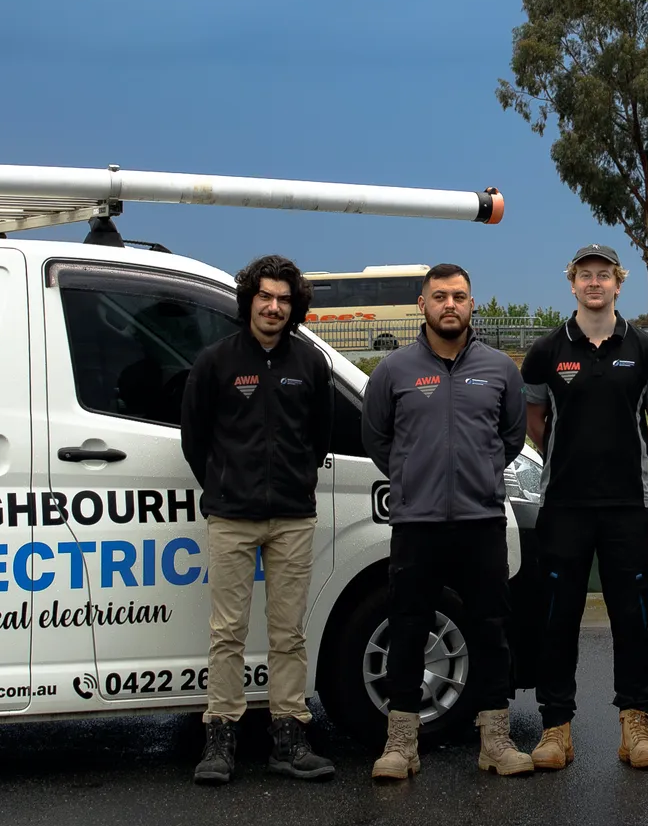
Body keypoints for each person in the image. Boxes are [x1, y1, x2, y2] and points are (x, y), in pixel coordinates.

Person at [360, 263, 533, 780]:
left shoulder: (500, 369)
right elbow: (376, 439)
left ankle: (496, 742)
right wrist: (414, 474)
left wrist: (477, 473)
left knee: (489, 630)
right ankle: (401, 747)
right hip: (417, 522)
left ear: (471, 303)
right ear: (423, 304)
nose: (450, 305)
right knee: (409, 629)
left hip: (481, 520)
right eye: (440, 296)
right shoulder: (394, 370)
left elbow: (510, 438)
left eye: (459, 296)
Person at [179, 254, 335, 785]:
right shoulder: (216, 362)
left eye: (284, 299)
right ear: (249, 299)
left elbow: (319, 439)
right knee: (227, 633)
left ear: (295, 307)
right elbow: (195, 440)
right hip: (232, 517)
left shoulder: (310, 364)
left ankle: (289, 738)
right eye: (265, 296)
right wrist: (226, 486)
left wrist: (292, 482)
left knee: (289, 633)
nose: (273, 307)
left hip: (293, 517)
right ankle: (219, 739)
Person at [519, 243, 648, 770]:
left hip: (628, 506)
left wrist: (626, 461)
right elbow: (534, 421)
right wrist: (568, 461)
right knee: (557, 616)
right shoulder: (545, 350)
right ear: (572, 284)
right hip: (563, 505)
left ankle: (636, 725)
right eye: (584, 275)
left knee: (630, 616)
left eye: (603, 275)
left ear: (618, 283)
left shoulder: (646, 348)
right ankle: (555, 727)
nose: (594, 283)